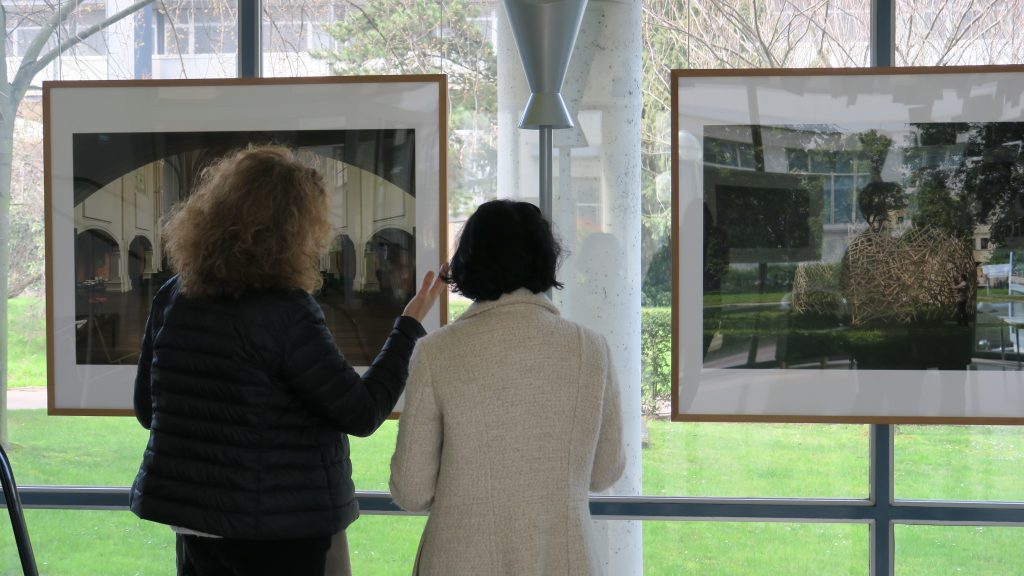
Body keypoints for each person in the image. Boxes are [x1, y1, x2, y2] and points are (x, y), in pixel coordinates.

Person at [128, 145, 444, 576]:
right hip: (279, 531)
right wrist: (408, 327)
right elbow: (361, 412)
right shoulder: (285, 311)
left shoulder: (174, 295)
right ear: (292, 229)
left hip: (195, 524)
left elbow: (149, 412)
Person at [389, 199, 625, 575]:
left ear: (469, 260)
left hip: (459, 561)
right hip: (563, 561)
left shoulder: (436, 352)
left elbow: (412, 490)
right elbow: (605, 472)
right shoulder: (591, 349)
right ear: (546, 258)